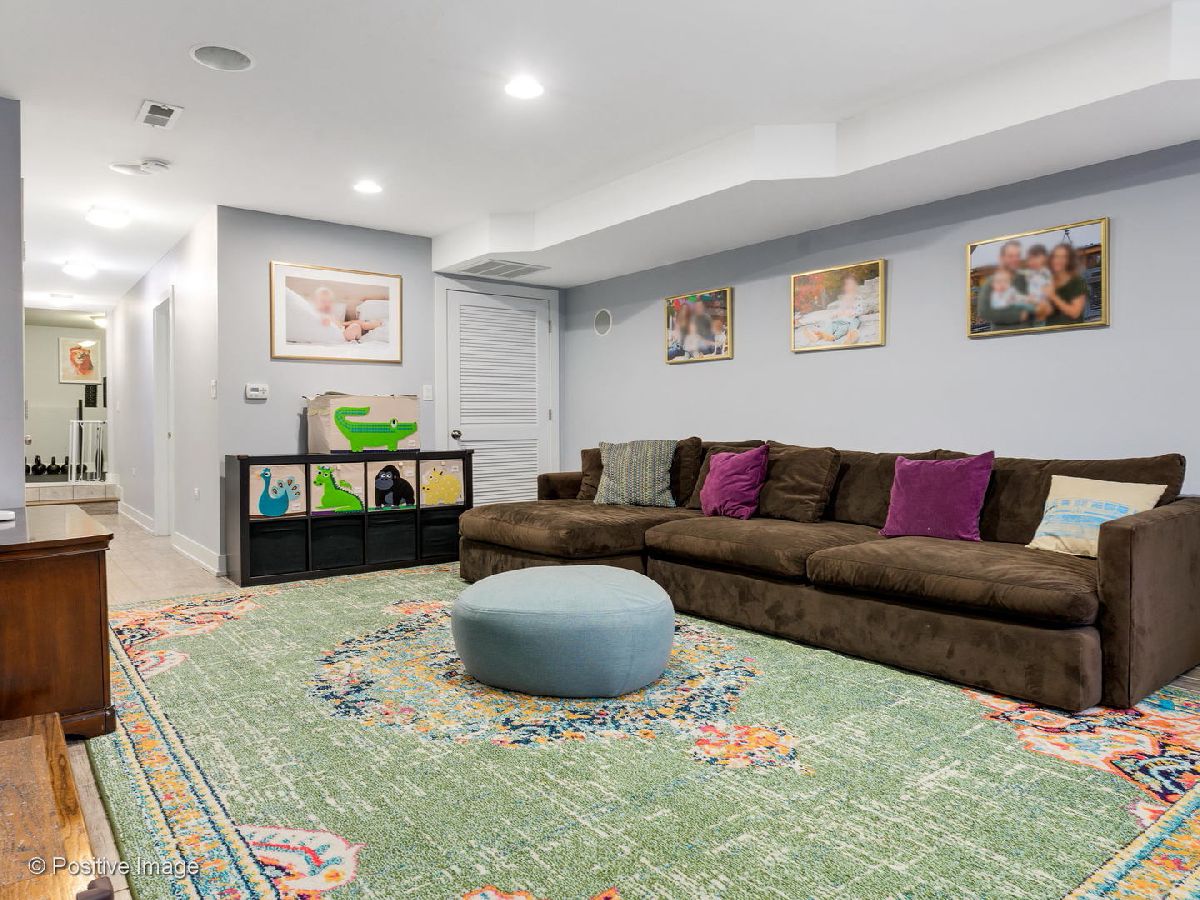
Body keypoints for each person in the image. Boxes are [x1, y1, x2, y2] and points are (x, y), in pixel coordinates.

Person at [975, 240, 1031, 328]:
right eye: (1010, 256)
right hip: (1001, 332)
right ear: (1002, 258)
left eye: (1017, 256)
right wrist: (1017, 315)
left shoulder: (1025, 279)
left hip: (1029, 332)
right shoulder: (991, 281)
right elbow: (984, 312)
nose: (1015, 259)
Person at [1035, 243, 1088, 326]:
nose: (1058, 260)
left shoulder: (1077, 282)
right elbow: (1041, 316)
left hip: (1073, 330)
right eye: (1056, 257)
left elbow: (1075, 313)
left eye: (1063, 257)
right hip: (1051, 331)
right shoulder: (1049, 282)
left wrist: (1053, 296)